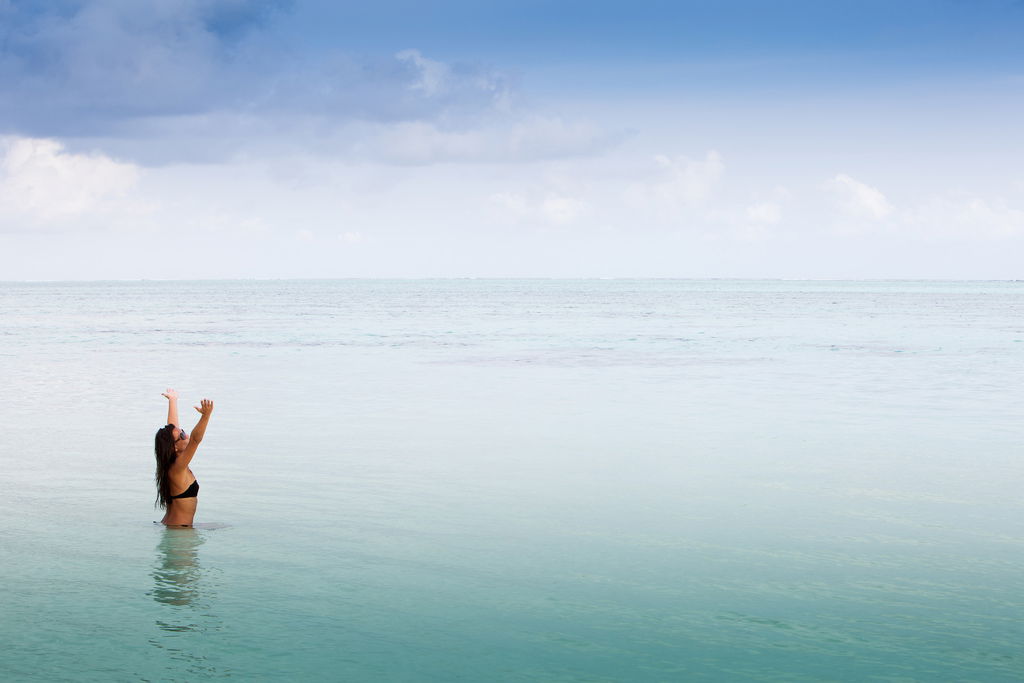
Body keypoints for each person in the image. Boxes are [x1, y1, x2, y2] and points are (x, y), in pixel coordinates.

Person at [154, 389, 214, 526]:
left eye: (183, 432)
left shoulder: (173, 464)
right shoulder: (177, 468)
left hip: (174, 529)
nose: (185, 435)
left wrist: (173, 400)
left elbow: (173, 428)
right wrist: (205, 416)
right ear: (174, 447)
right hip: (179, 535)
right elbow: (195, 440)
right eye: (182, 436)